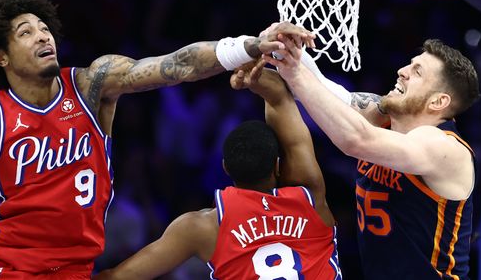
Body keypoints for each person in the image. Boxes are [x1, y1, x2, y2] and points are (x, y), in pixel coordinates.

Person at [0, 0, 311, 279]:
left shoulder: (92, 85)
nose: (42, 35)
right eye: (26, 32)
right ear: (1, 56)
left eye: (43, 27)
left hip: (78, 269)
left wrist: (250, 45)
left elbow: (178, 64)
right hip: (9, 268)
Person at [94, 59, 342, 280]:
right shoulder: (310, 196)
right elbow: (279, 96)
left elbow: (119, 276)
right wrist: (254, 76)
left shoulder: (203, 227)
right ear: (277, 166)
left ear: (225, 168)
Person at [264, 34, 480, 280]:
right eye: (410, 64)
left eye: (417, 72)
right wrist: (280, 48)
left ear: (438, 101)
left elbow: (355, 140)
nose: (402, 71)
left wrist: (294, 72)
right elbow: (323, 90)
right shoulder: (385, 116)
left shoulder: (444, 148)